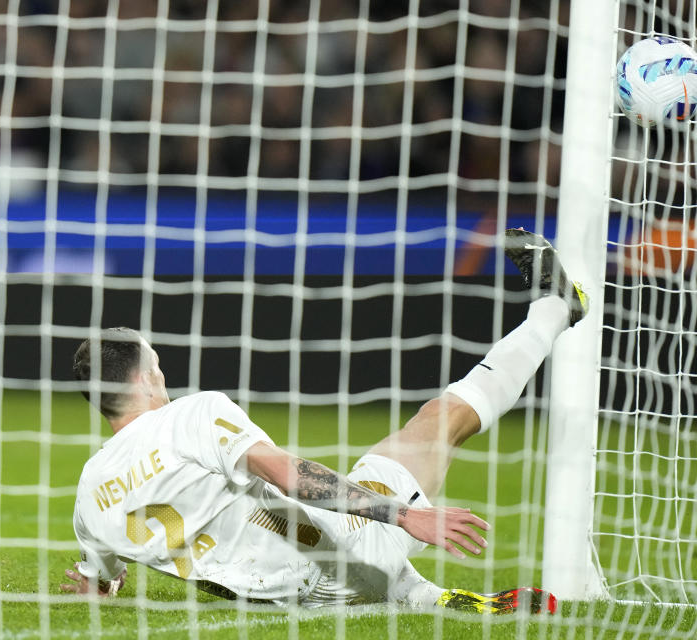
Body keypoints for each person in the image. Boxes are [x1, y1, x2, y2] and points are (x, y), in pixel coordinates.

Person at [60, 229, 586, 613]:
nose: (163, 373)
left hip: (293, 603)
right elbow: (288, 474)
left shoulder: (90, 492)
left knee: (375, 574)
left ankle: (437, 599)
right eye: (157, 364)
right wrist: (404, 516)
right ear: (145, 380)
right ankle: (556, 308)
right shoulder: (189, 415)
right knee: (440, 420)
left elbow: (100, 576)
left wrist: (98, 586)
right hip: (341, 548)